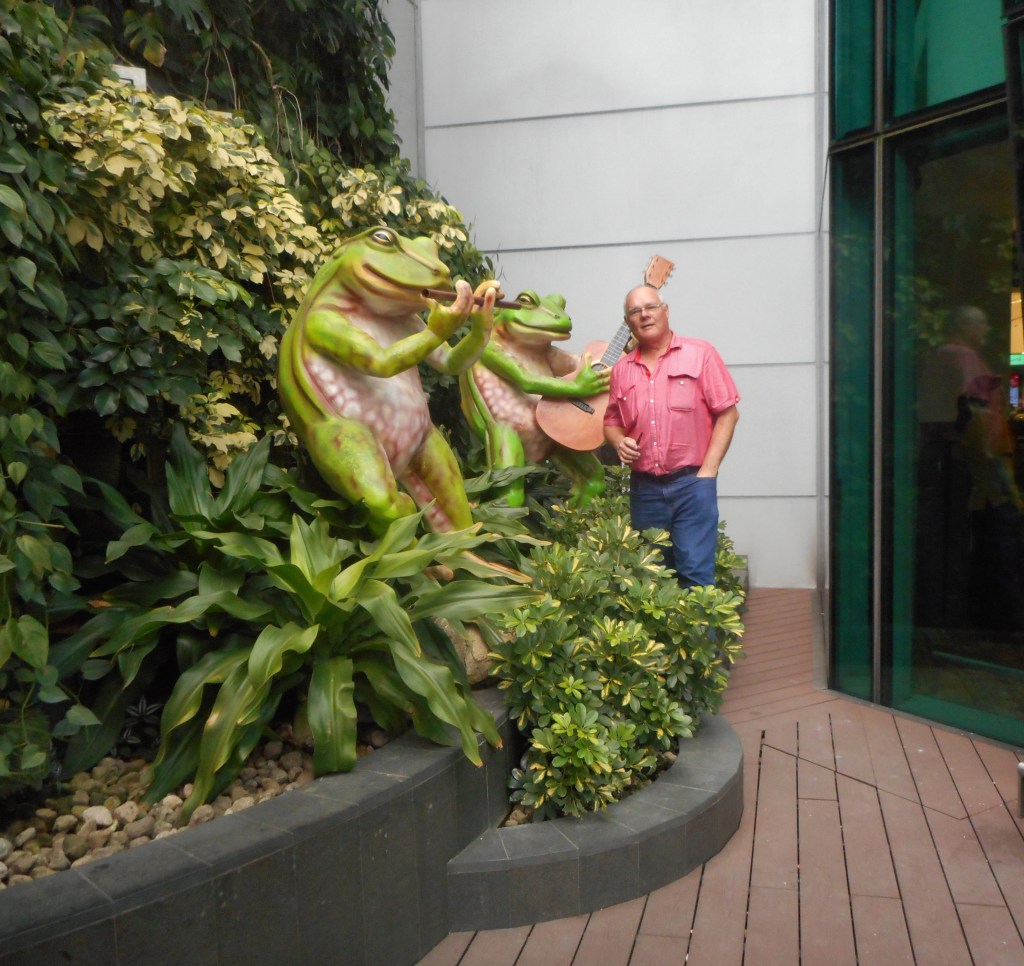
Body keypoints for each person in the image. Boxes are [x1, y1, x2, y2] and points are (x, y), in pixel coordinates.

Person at [603, 285, 740, 588]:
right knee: (652, 579)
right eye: (635, 312)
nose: (644, 315)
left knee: (695, 575)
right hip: (645, 491)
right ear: (628, 322)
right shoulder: (621, 370)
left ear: (665, 311)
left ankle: (704, 637)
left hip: (692, 484)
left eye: (650, 307)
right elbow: (611, 420)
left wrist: (709, 471)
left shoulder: (700, 353)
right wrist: (617, 441)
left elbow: (728, 414)